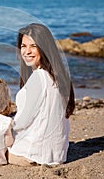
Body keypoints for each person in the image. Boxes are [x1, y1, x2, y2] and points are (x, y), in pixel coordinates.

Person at [8, 23, 75, 166]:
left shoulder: (39, 77)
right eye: (23, 46)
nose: (27, 51)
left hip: (33, 153)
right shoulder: (59, 76)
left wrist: (5, 126)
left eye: (33, 46)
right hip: (58, 153)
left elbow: (22, 121)